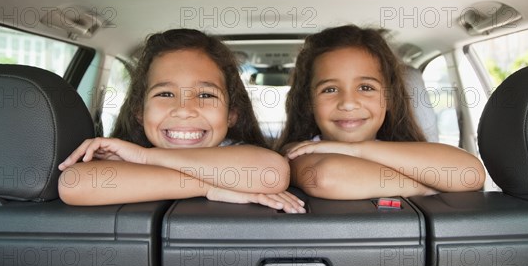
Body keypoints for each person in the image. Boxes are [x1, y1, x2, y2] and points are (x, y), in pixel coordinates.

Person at [59, 29, 305, 213]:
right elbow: (74, 182)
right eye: (165, 94)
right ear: (138, 111)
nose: (184, 110)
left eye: (206, 95)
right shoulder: (121, 155)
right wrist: (209, 187)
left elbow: (270, 173)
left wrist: (146, 159)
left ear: (232, 114)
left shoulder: (237, 153)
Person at [275, 25, 486, 199]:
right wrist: (427, 187)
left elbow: (470, 174)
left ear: (389, 98)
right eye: (329, 90)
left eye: (366, 88)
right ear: (309, 102)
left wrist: (356, 150)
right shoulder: (299, 151)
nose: (348, 103)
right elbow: (327, 177)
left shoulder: (408, 151)